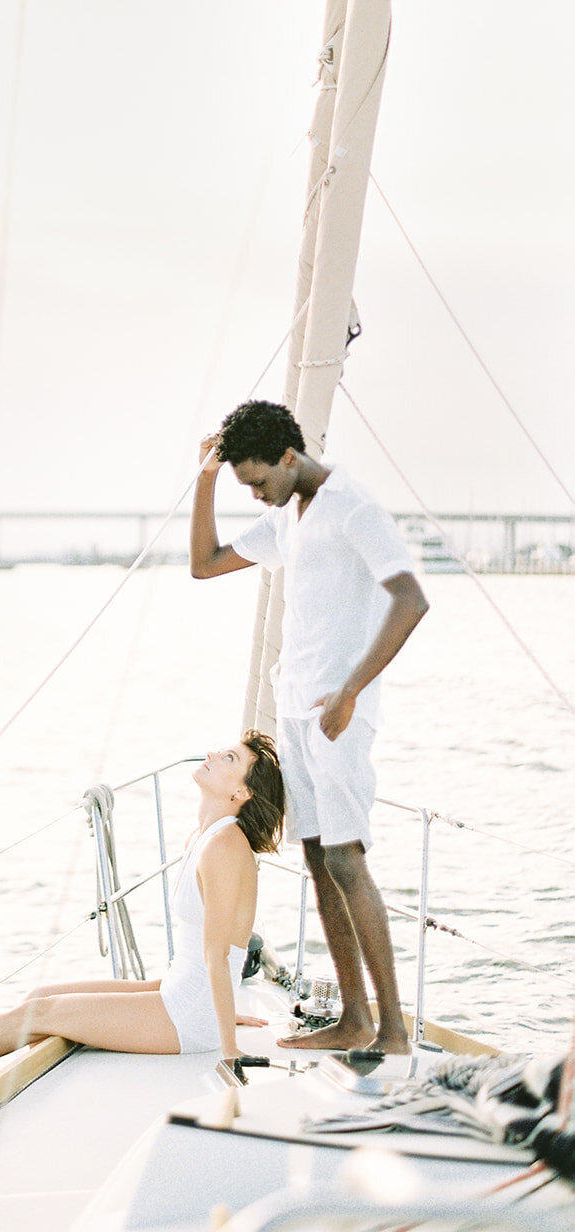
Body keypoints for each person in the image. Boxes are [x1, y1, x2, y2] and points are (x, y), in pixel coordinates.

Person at [189, 398, 429, 1055]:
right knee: (320, 861)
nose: (259, 497)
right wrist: (208, 479)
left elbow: (412, 598)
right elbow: (204, 562)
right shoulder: (289, 514)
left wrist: (351, 691)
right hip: (296, 709)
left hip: (338, 713)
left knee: (347, 860)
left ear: (290, 457)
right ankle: (352, 1020)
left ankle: (394, 1031)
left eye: (260, 482)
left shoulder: (351, 504)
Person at [0, 733, 284, 1068]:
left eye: (228, 758)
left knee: (38, 1014)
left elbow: (218, 951)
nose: (211, 754)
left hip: (189, 1014)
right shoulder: (202, 837)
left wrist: (227, 1045)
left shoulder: (226, 847)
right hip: (182, 993)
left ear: (240, 792)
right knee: (41, 996)